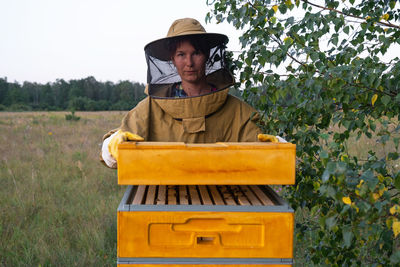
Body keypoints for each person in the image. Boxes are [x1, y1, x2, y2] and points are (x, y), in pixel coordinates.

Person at [101, 18, 283, 168]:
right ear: (172, 60)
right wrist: (111, 146)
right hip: (163, 202)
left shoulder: (236, 111)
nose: (189, 62)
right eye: (181, 54)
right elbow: (115, 148)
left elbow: (262, 152)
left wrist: (277, 147)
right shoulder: (150, 107)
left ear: (207, 56)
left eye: (196, 53)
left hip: (222, 202)